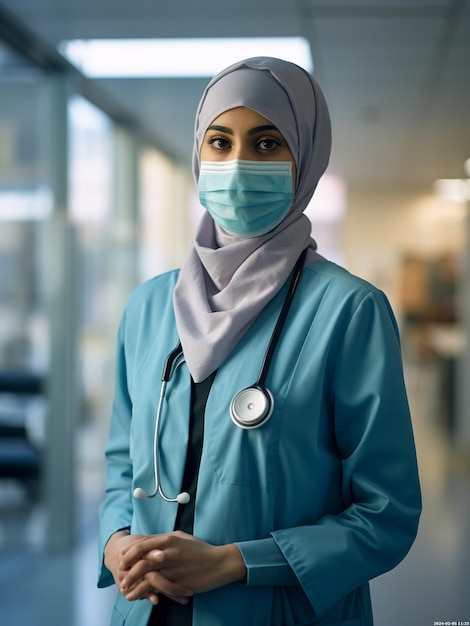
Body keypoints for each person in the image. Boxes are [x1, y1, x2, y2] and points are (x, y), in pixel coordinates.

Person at [97, 56, 421, 626]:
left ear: (307, 157)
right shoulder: (148, 306)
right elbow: (123, 464)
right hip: (145, 611)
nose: (239, 164)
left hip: (276, 609)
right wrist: (116, 542)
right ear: (198, 155)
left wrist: (237, 563)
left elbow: (385, 513)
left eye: (268, 145)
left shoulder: (349, 311)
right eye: (219, 143)